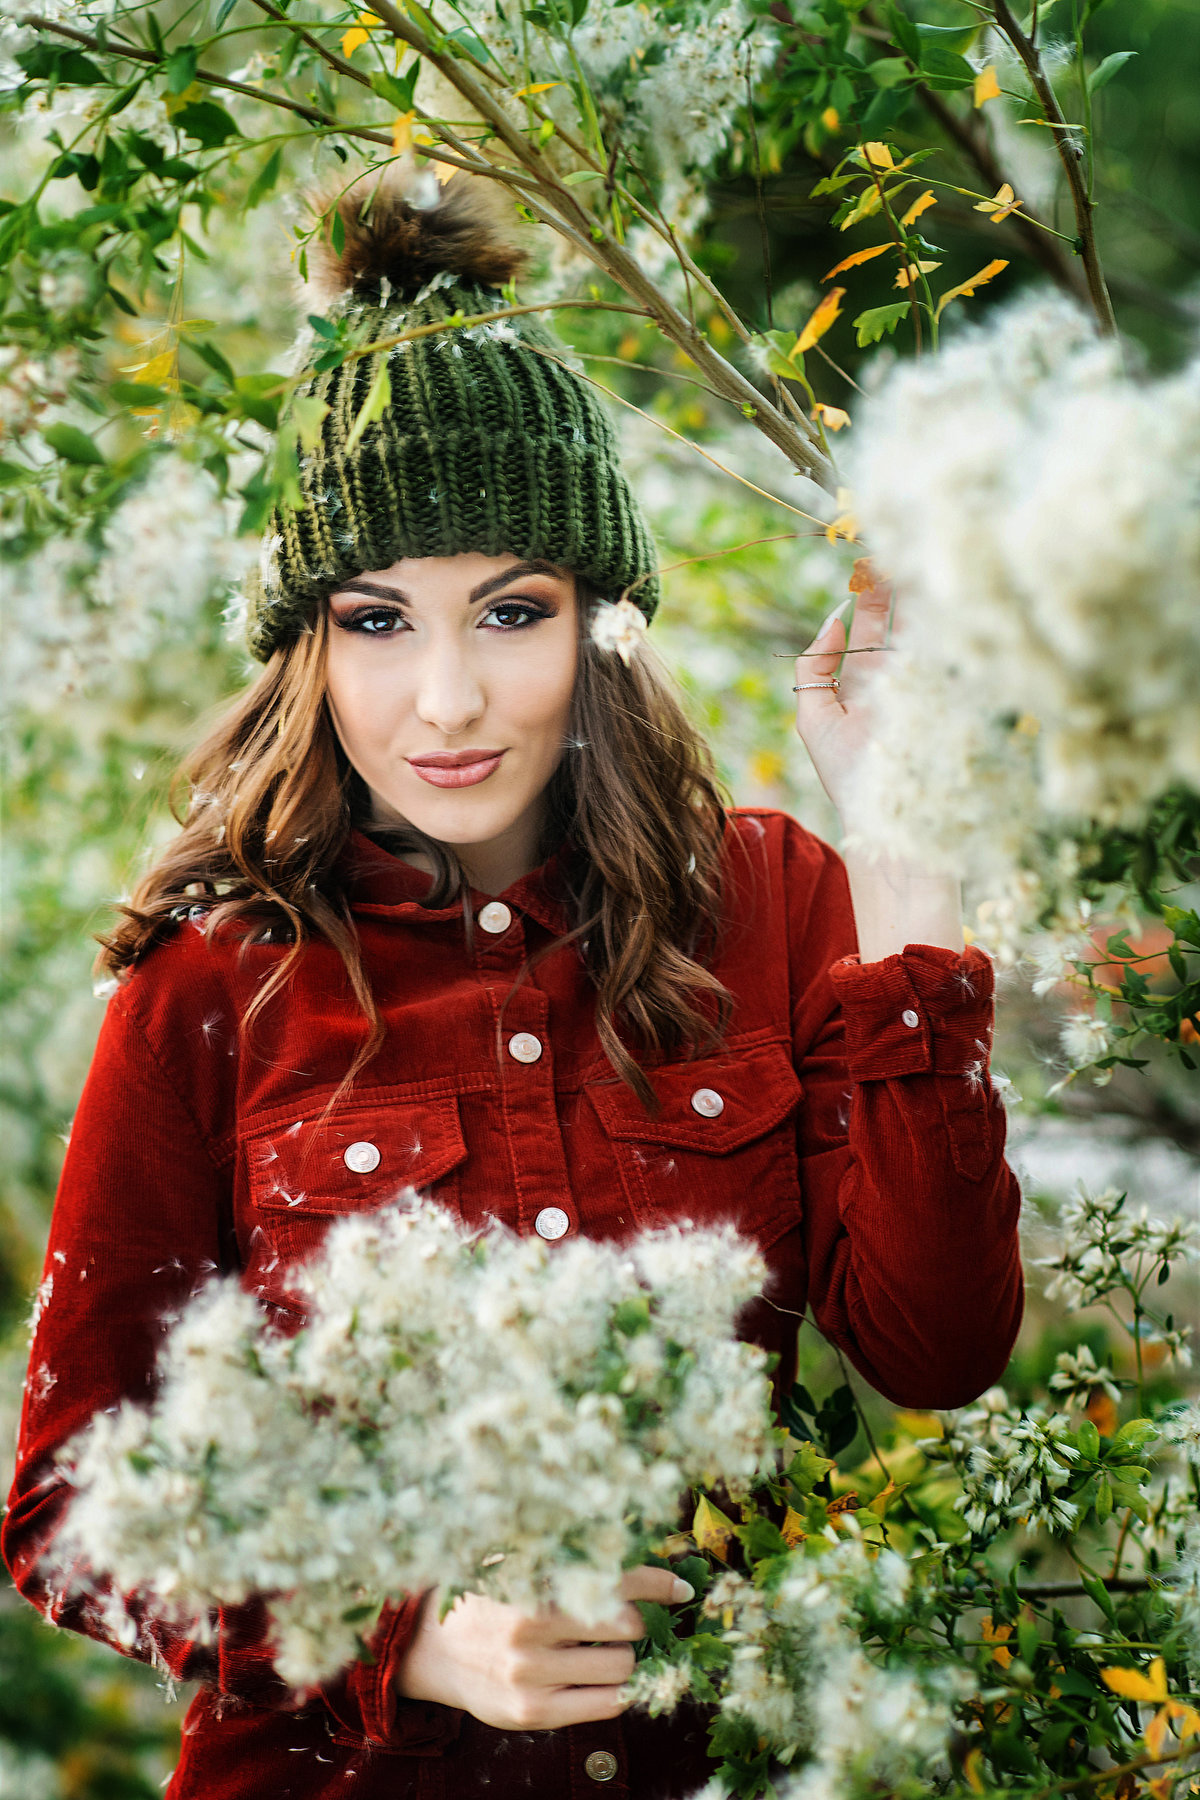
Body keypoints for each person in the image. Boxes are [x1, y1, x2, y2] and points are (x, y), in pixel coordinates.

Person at [3, 175, 1023, 1800]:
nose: (450, 695)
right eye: (379, 620)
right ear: (308, 645)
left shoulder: (768, 902)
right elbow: (61, 1513)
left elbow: (938, 1346)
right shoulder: (217, 982)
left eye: (513, 611)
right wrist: (402, 1632)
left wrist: (904, 852)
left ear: (601, 619)